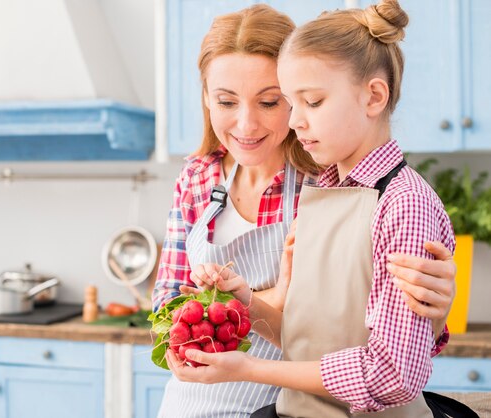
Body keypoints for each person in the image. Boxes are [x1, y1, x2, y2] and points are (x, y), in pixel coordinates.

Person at [166, 1, 469, 417]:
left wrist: (250, 367)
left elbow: (392, 371)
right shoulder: (326, 189)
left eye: (292, 102)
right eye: (294, 102)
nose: (293, 122)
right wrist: (246, 305)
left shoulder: (390, 199)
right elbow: (311, 334)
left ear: (374, 96)